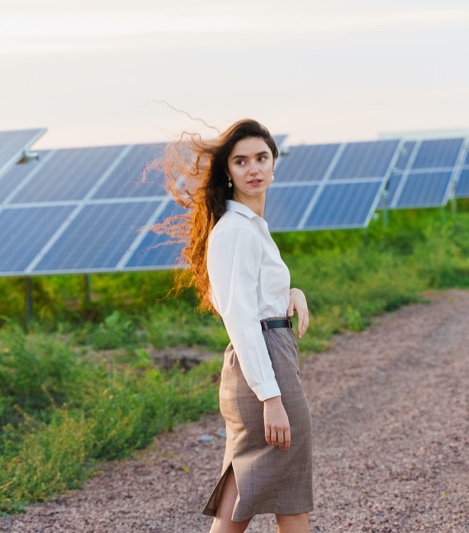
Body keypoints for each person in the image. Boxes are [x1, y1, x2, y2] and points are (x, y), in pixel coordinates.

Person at [159, 119, 313, 532]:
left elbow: (256, 297)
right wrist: (272, 398)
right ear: (228, 171)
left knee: (244, 497)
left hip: (267, 357)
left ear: (274, 162)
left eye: (261, 158)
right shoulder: (235, 232)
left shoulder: (249, 227)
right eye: (241, 161)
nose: (253, 169)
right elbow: (241, 319)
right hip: (263, 367)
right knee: (290, 498)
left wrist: (290, 293)